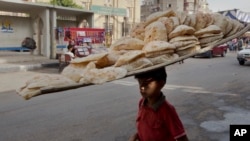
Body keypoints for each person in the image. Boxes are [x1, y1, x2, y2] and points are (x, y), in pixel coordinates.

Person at [129, 67, 189, 141]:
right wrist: (136, 136)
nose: (142, 88)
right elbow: (144, 128)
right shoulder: (142, 103)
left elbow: (182, 138)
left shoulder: (168, 111)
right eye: (140, 82)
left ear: (161, 83)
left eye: (146, 83)